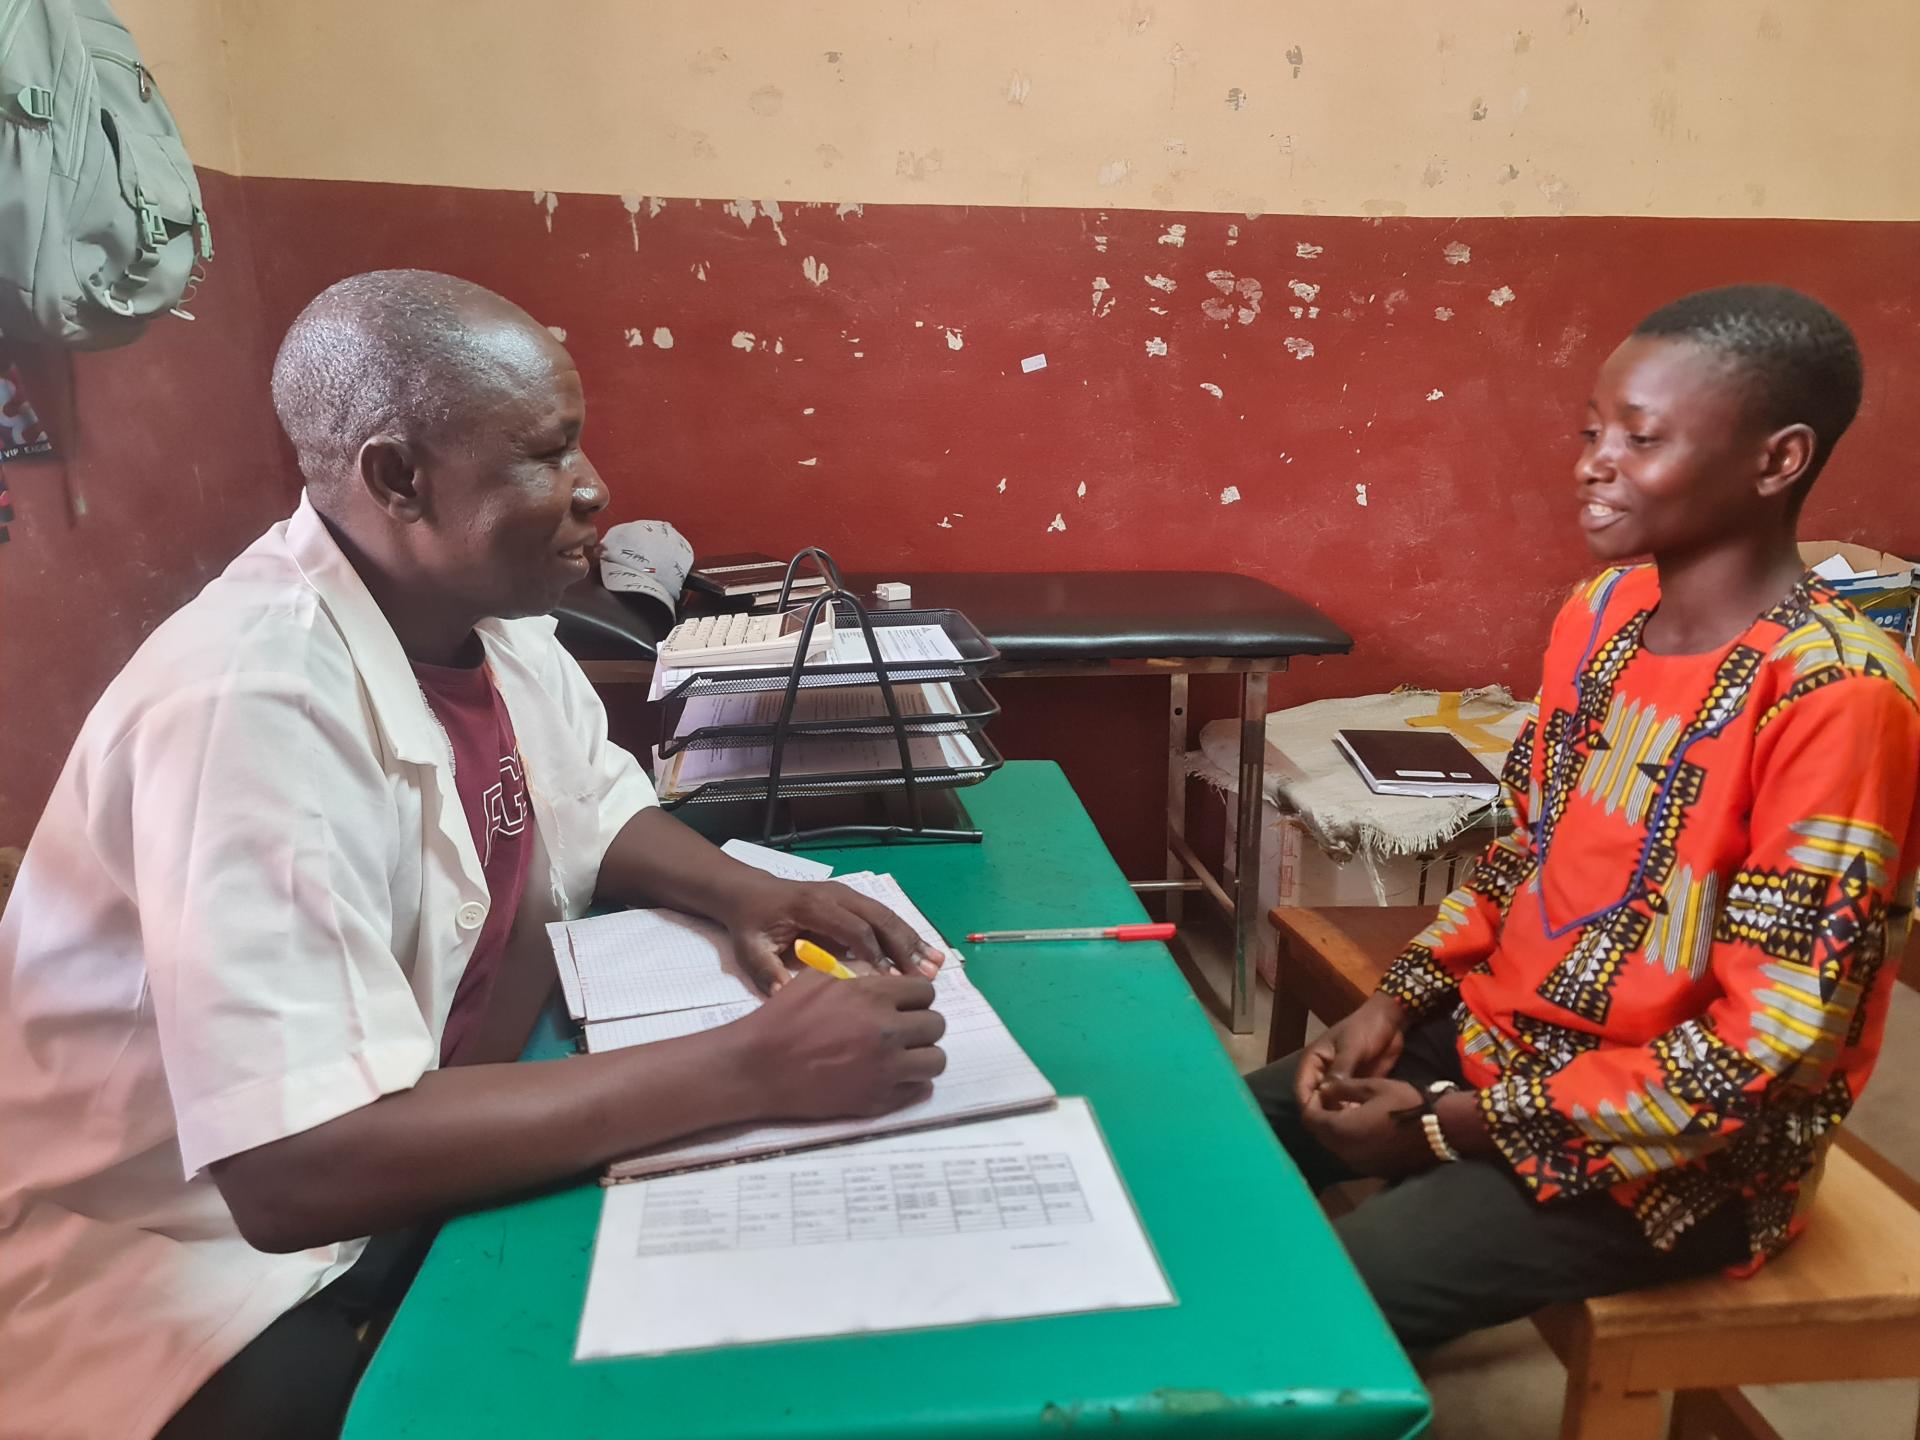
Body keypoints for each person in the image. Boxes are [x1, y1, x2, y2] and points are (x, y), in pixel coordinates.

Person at [0, 271, 953, 1440]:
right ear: (398, 478)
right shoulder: (251, 708)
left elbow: (594, 808)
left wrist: (754, 894)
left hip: (412, 1137)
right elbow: (293, 1170)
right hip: (184, 1260)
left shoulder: (487, 618)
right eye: (546, 456)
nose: (593, 489)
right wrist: (752, 1069)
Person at [1248, 284, 1920, 1352]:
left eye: (1641, 438)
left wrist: (1437, 1130)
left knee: (1312, 1307)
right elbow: (1523, 857)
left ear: (1777, 459)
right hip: (1491, 1050)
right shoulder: (1599, 615)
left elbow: (1762, 1055)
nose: (1593, 462)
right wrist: (1399, 1002)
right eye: (1592, 431)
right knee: (1214, 1154)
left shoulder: (1836, 698)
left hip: (1678, 1160)